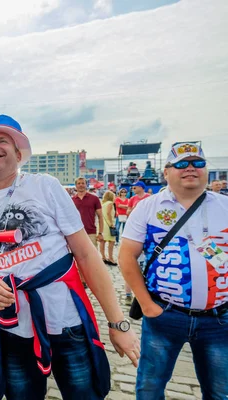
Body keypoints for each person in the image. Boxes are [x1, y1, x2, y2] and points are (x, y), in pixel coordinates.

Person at [0, 115, 139, 400]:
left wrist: (118, 324)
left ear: (18, 155)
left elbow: (86, 255)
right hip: (13, 326)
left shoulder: (45, 186)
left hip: (66, 322)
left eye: (2, 140)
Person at [119, 142, 228, 399]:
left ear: (206, 171)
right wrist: (146, 305)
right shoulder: (148, 207)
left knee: (220, 391)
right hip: (164, 314)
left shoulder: (224, 207)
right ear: (166, 172)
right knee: (150, 386)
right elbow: (126, 256)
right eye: (181, 164)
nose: (190, 168)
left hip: (219, 319)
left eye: (197, 163)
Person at [72, 177, 104, 247]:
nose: (81, 185)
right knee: (78, 256)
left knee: (93, 256)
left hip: (91, 232)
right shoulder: (71, 200)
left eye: (83, 183)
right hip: (76, 233)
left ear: (86, 185)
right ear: (76, 186)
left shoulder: (94, 199)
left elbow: (100, 217)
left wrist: (101, 233)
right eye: (79, 183)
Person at [100, 191, 117, 265]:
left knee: (102, 241)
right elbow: (108, 213)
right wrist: (111, 224)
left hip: (102, 224)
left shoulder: (102, 204)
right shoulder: (110, 203)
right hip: (108, 225)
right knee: (112, 241)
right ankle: (110, 258)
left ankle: (103, 257)